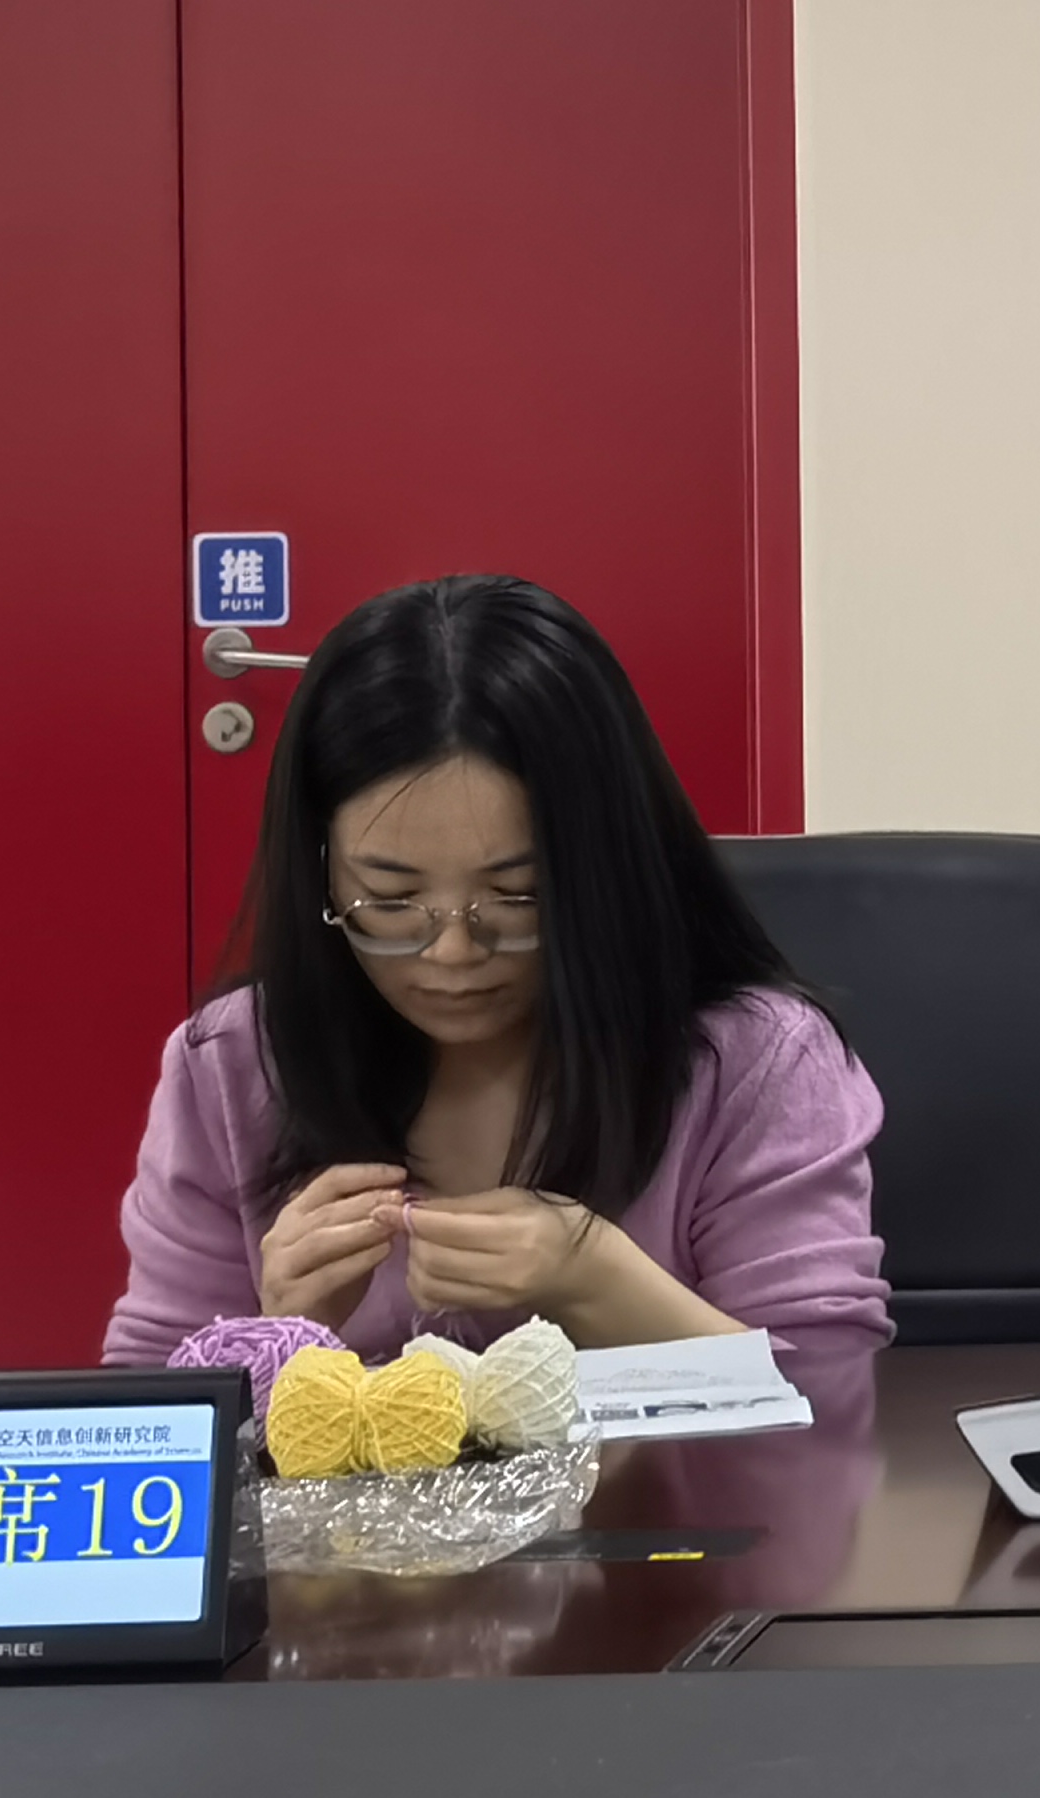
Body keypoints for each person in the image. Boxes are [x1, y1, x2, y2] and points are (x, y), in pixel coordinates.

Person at [107, 575, 886, 1367]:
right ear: (322, 875)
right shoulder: (232, 1065)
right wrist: (279, 1338)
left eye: (519, 895)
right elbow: (148, 1406)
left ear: (605, 869)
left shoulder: (756, 1061)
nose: (452, 952)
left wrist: (598, 1281)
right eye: (392, 899)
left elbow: (830, 1391)